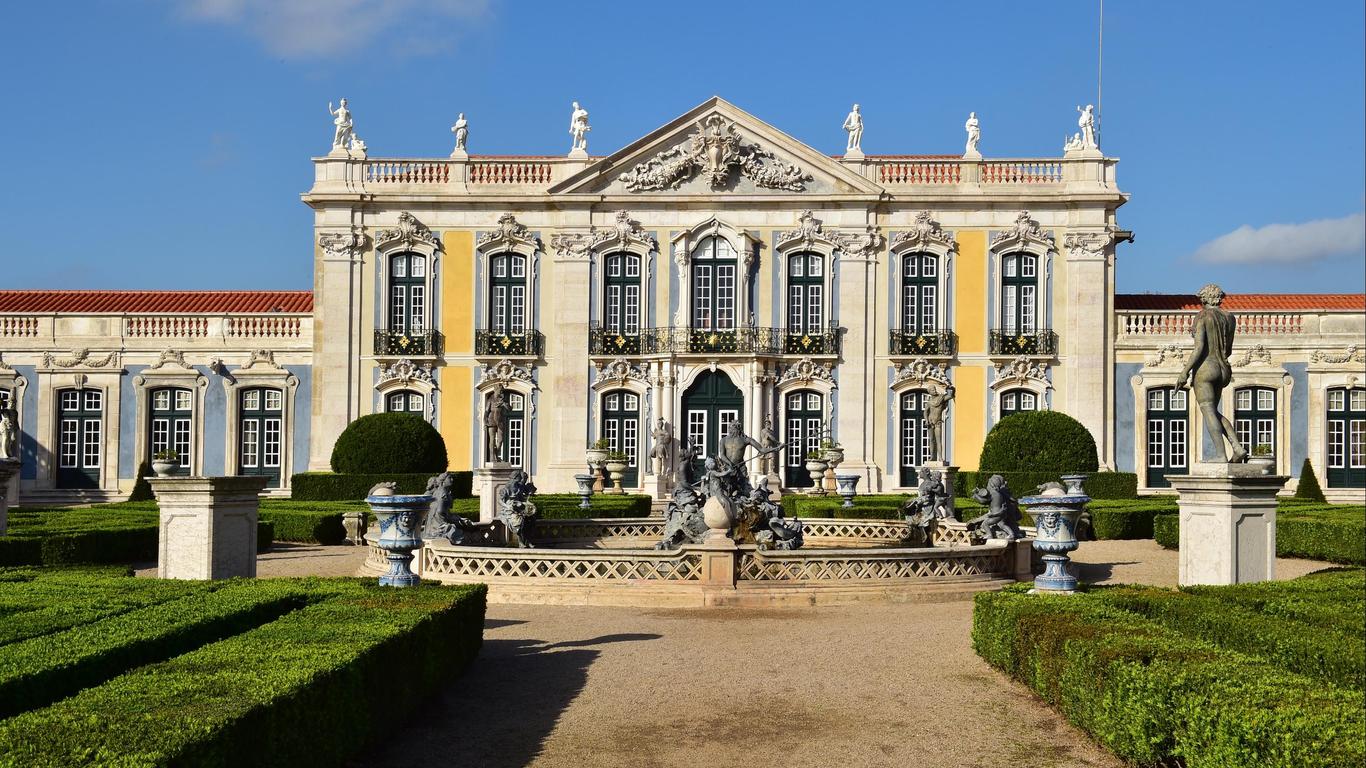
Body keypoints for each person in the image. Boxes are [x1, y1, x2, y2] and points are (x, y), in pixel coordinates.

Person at [1175, 283, 1247, 463]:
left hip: (1206, 368)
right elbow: (1228, 349)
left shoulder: (1202, 316)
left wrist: (1185, 372)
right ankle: (1237, 447)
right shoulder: (1230, 318)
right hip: (1223, 369)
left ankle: (1221, 455)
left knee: (1207, 410)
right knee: (1213, 411)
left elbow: (1199, 347)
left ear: (1205, 298)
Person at [924, 384, 955, 462]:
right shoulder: (929, 402)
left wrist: (951, 389)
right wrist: (926, 420)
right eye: (932, 390)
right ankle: (932, 457)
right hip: (930, 422)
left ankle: (940, 457)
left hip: (938, 422)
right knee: (931, 440)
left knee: (938, 440)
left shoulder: (941, 398)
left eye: (934, 389)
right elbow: (925, 412)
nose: (934, 391)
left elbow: (950, 396)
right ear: (929, 392)